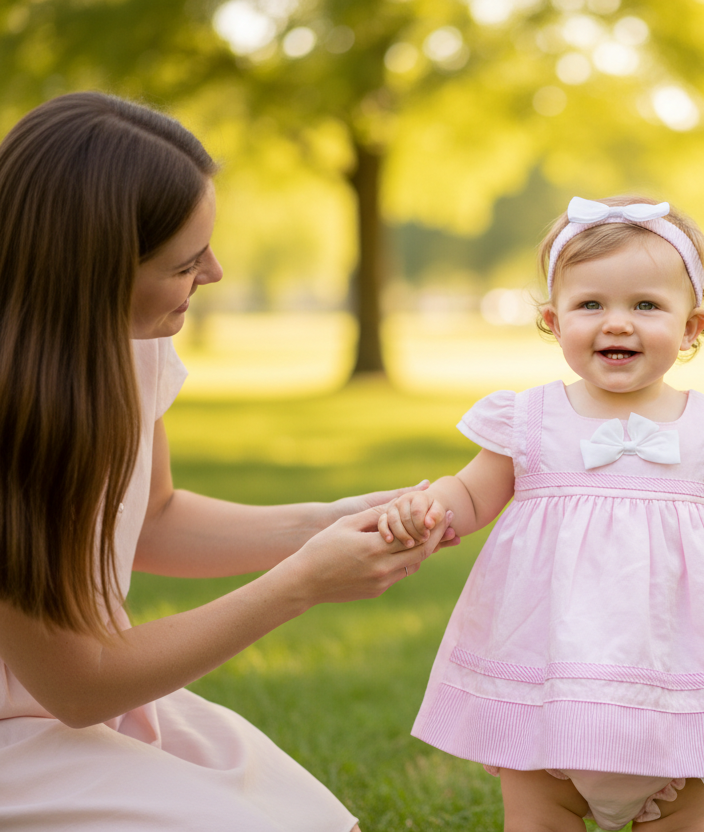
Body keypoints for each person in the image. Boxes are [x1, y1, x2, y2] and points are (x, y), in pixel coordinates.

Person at [0, 92, 453, 831]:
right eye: (184, 262)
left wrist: (330, 521)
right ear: (95, 270)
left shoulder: (132, 354)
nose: (213, 272)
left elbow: (153, 518)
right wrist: (303, 583)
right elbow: (76, 686)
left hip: (83, 702)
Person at [379, 196, 704, 831]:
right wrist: (429, 506)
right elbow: (473, 494)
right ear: (553, 322)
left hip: (676, 685)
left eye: (646, 305)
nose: (617, 323)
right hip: (549, 682)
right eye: (590, 304)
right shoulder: (529, 420)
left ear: (693, 326)